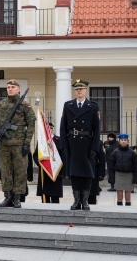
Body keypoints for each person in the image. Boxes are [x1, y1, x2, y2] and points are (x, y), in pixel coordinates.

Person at [0, 79, 35, 208]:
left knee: (20, 171)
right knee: (5, 171)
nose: (10, 89)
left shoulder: (24, 106)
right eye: (8, 87)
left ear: (18, 89)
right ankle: (7, 196)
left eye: (13, 87)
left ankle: (17, 197)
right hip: (4, 144)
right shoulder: (0, 104)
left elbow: (31, 125)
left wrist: (27, 143)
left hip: (19, 144)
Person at [60, 79, 101, 211]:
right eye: (77, 89)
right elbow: (63, 127)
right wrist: (64, 145)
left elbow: (97, 129)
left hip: (87, 143)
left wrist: (95, 147)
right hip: (73, 142)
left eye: (81, 89)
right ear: (74, 91)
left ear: (86, 90)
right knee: (74, 174)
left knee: (87, 174)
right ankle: (76, 200)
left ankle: (85, 200)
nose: (79, 91)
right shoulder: (68, 105)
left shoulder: (93, 106)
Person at [33, 122, 65, 203]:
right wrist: (41, 164)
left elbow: (64, 157)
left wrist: (63, 172)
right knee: (45, 199)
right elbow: (36, 155)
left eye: (50, 129)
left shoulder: (59, 140)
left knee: (55, 199)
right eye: (47, 129)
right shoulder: (41, 142)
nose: (49, 131)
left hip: (56, 173)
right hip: (45, 173)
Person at [110, 134, 137, 206]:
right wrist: (111, 178)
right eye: (122, 140)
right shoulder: (115, 152)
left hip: (129, 175)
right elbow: (111, 166)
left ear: (127, 141)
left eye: (125, 140)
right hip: (118, 174)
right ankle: (119, 207)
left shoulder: (132, 153)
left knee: (128, 194)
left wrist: (136, 179)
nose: (123, 141)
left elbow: (136, 166)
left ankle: (128, 206)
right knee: (119, 193)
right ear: (119, 141)